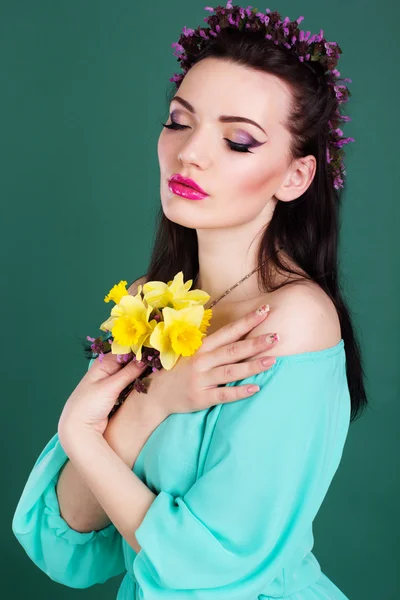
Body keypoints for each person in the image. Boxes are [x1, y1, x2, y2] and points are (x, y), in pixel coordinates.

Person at [12, 4, 367, 599]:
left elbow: (214, 572)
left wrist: (84, 436)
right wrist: (150, 408)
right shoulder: (164, 307)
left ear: (295, 177)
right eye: (179, 121)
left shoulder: (294, 320)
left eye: (238, 140)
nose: (190, 154)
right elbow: (66, 536)